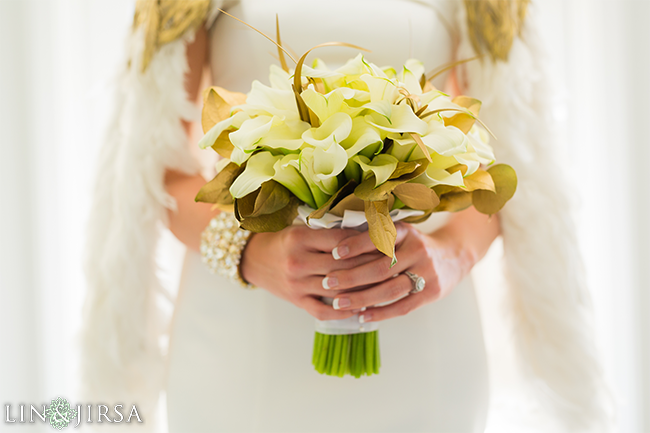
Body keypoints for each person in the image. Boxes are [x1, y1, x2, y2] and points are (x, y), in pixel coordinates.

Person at [81, 0, 613, 431]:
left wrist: (452, 253)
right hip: (242, 333)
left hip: (416, 312)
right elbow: (154, 165)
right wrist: (248, 252)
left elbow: (513, 159)